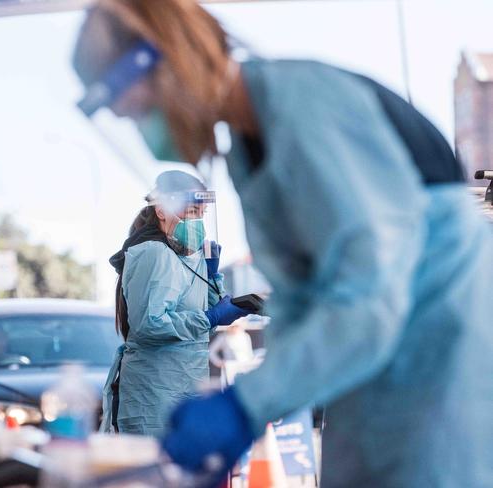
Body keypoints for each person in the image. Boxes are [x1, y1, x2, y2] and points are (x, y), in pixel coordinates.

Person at [72, 1, 493, 486]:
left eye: (140, 111)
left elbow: (371, 300)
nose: (144, 130)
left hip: (443, 371)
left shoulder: (308, 109)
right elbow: (306, 307)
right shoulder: (251, 150)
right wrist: (256, 400)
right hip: (376, 380)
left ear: (173, 63)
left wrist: (247, 404)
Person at [99, 170, 249, 437]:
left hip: (182, 389)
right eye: (192, 212)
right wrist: (211, 317)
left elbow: (198, 323)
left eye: (201, 214)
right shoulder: (154, 253)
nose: (198, 222)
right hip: (154, 398)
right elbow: (149, 324)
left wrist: (213, 277)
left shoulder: (181, 258)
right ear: (162, 210)